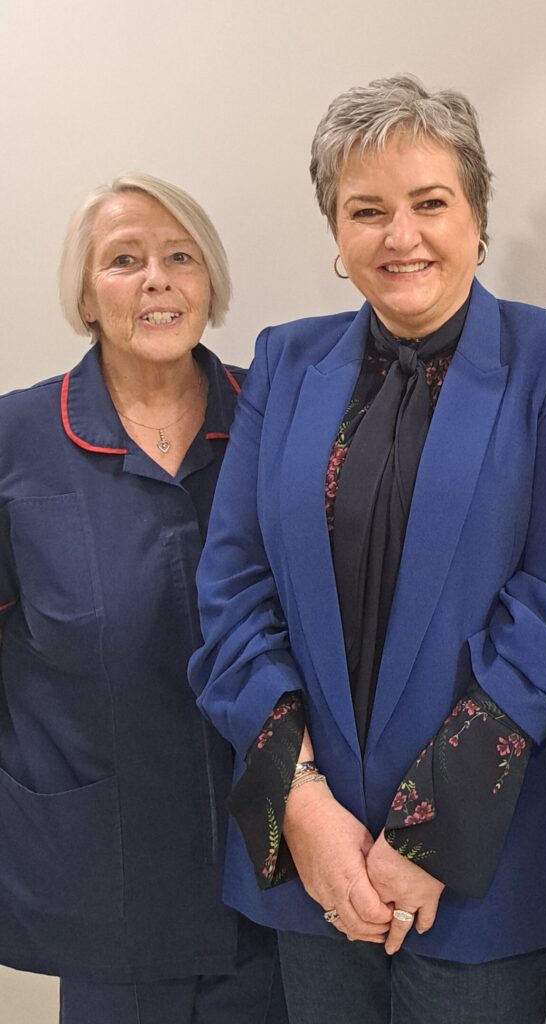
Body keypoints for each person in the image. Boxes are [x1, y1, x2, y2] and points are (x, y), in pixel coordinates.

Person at [189, 75, 546, 1024]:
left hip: (482, 866)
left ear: (477, 217)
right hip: (312, 859)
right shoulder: (285, 362)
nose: (402, 236)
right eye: (367, 211)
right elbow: (231, 587)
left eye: (431, 203)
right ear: (337, 237)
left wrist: (426, 839)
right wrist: (303, 809)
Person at [0, 174, 286, 1024]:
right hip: (102, 879)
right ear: (86, 295)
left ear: (209, 286)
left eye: (180, 257)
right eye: (125, 260)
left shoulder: (279, 417)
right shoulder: (15, 443)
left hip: (276, 873)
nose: (157, 279)